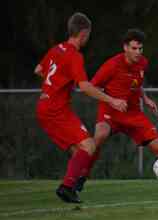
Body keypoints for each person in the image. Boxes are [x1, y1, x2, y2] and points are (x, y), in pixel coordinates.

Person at [74, 29, 158, 194]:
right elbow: (90, 87)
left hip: (133, 114)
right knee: (99, 136)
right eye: (134, 48)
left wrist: (145, 98)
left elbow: (136, 83)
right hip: (110, 110)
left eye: (140, 49)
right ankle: (81, 177)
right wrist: (112, 101)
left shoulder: (142, 63)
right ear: (125, 48)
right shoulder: (112, 65)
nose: (138, 52)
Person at [35, 12, 125, 203]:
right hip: (55, 110)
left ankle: (72, 186)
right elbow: (85, 87)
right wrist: (112, 100)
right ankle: (66, 188)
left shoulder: (55, 49)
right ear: (83, 34)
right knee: (90, 145)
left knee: (80, 152)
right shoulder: (75, 56)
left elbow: (39, 70)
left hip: (44, 106)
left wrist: (55, 84)